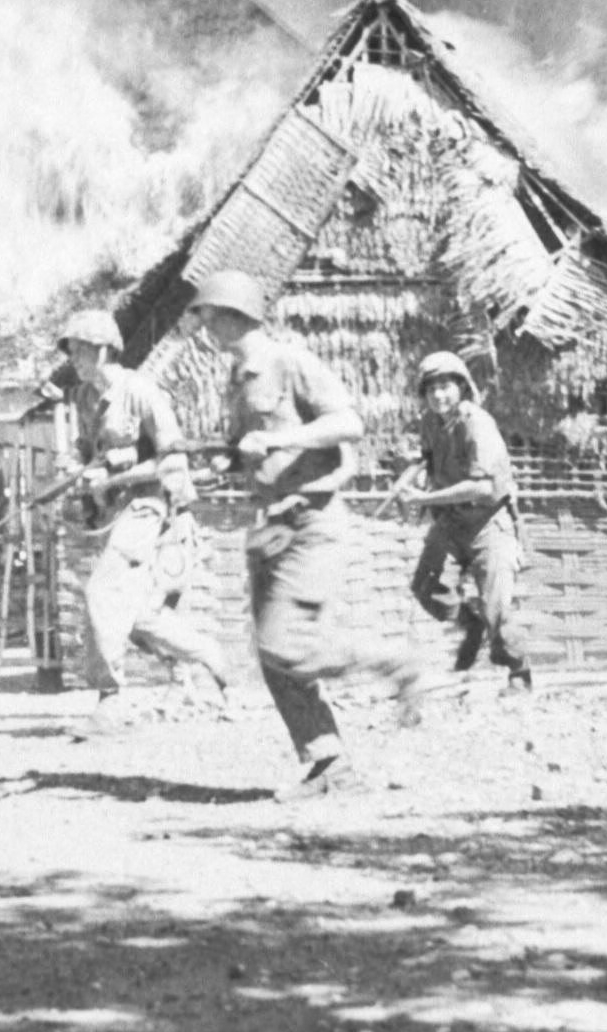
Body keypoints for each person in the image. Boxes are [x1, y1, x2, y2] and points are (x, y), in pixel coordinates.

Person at [184, 270, 433, 799]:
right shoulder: (238, 378)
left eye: (206, 316)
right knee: (273, 658)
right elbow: (248, 449)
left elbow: (348, 423)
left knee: (285, 647)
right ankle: (330, 766)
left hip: (312, 523)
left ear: (231, 315)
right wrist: (224, 462)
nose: (203, 326)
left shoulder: (290, 362)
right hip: (270, 525)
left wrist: (282, 440)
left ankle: (394, 661)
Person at [56, 308, 232, 734]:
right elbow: (85, 450)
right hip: (115, 511)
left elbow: (172, 462)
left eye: (79, 351)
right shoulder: (84, 398)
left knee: (102, 591)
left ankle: (110, 702)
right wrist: (75, 466)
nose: (73, 359)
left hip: (150, 507)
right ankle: (209, 653)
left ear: (102, 351)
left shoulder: (141, 392)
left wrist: (113, 476)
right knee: (137, 616)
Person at [393, 350, 532, 692]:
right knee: (429, 589)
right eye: (431, 389)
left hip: (489, 522)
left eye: (446, 387)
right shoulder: (430, 422)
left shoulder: (477, 422)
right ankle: (472, 627)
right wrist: (404, 479)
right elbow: (426, 455)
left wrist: (423, 499)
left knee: (496, 606)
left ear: (461, 387)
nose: (438, 395)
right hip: (451, 523)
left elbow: (483, 487)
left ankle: (518, 672)